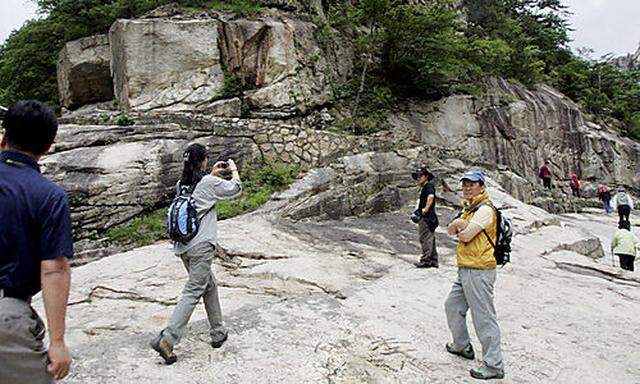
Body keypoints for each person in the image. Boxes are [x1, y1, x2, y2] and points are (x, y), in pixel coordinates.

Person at [0, 101, 73, 383]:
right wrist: (57, 341)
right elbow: (54, 268)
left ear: (5, 137)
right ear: (47, 148)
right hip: (8, 318)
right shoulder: (48, 195)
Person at [152, 143, 242, 365]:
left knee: (208, 285)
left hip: (183, 248)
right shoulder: (208, 183)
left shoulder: (181, 184)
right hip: (201, 248)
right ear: (202, 160)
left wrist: (210, 174)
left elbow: (197, 192)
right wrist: (234, 170)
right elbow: (235, 189)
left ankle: (218, 332)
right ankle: (168, 338)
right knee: (194, 290)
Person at [445, 170, 504, 380]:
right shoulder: (469, 209)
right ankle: (461, 346)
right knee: (452, 306)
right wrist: (461, 226)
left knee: (484, 317)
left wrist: (462, 228)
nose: (468, 188)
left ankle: (494, 364)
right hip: (465, 268)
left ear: (482, 186)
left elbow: (466, 235)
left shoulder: (485, 210)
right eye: (465, 184)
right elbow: (451, 230)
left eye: (472, 184)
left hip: (479, 269)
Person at [411, 167, 439, 269]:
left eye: (420, 176)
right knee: (430, 238)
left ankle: (426, 260)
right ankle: (433, 260)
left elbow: (431, 197)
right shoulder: (426, 187)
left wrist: (425, 209)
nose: (418, 178)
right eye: (417, 176)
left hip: (427, 217)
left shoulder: (428, 186)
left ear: (426, 176)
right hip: (430, 217)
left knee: (425, 238)